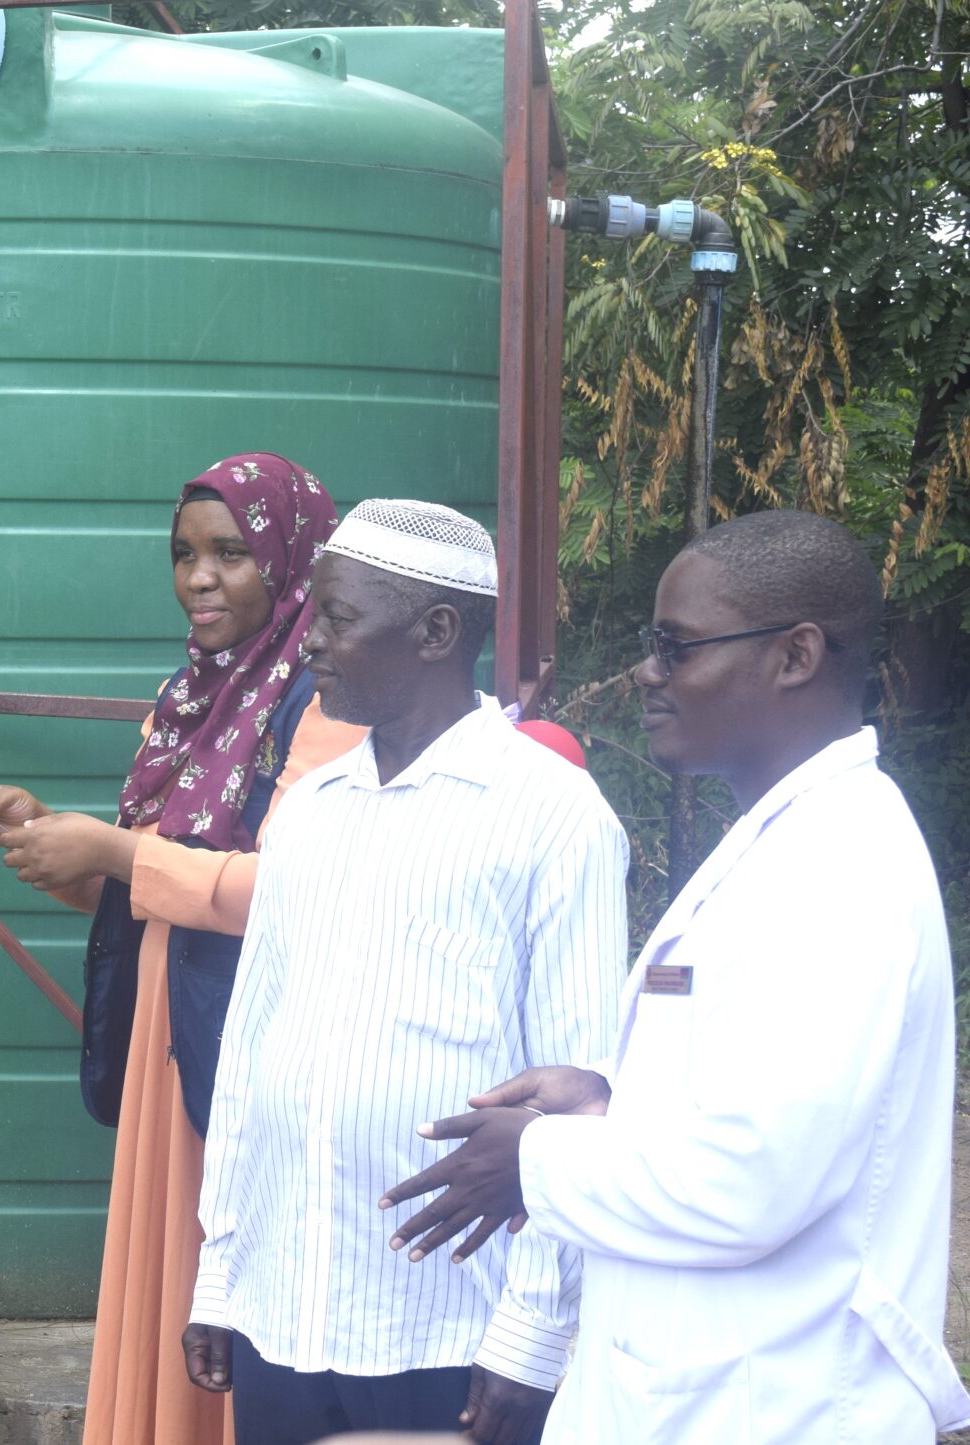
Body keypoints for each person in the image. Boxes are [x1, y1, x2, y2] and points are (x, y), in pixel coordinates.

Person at [381, 510, 970, 1443]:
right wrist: (606, 1103)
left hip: (781, 1407)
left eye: (677, 647)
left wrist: (531, 1158)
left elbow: (753, 1177)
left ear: (796, 655)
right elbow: (753, 1108)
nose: (649, 673)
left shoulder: (839, 863)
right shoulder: (782, 838)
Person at [181, 500, 629, 1445]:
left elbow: (577, 1099)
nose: (309, 645)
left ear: (436, 631)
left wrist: (532, 1337)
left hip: (450, 1329)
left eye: (337, 620)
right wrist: (222, 1269)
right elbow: (250, 1053)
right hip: (285, 1307)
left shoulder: (552, 815)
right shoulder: (310, 814)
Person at [0, 452, 358, 1445]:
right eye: (182, 554)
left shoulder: (328, 702)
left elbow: (294, 892)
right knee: (166, 1275)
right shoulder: (192, 696)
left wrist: (112, 846)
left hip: (252, 1054)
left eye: (232, 553)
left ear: (294, 563)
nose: (199, 577)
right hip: (167, 1043)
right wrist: (46, 832)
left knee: (223, 1297)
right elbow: (139, 883)